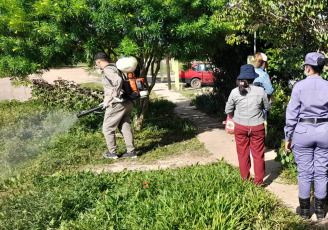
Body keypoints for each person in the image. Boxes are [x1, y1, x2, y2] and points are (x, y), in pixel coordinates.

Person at [284, 52, 328, 220]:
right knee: (322, 172)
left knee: (304, 172)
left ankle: (304, 212)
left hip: (303, 130)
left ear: (308, 68)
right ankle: (320, 212)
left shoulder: (299, 86)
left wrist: (288, 136)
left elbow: (292, 113)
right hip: (324, 130)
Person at [225, 64, 270, 185]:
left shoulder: (234, 92)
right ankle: (259, 182)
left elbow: (228, 110)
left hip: (240, 127)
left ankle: (245, 179)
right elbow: (267, 107)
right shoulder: (261, 91)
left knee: (242, 153)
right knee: (258, 154)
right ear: (253, 78)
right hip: (257, 127)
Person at [94, 52, 137, 159]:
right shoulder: (116, 68)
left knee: (107, 128)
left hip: (117, 104)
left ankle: (112, 153)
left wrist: (115, 96)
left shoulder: (108, 70)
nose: (97, 65)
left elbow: (117, 81)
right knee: (125, 126)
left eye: (96, 63)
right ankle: (131, 152)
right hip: (127, 103)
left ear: (98, 61)